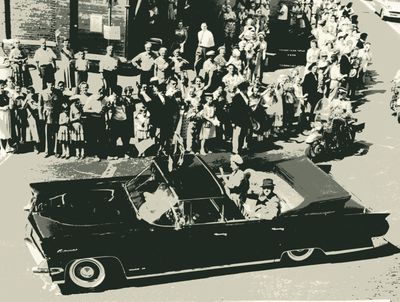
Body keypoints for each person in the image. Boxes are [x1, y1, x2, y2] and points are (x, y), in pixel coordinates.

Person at [83, 87, 107, 161]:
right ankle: (94, 154)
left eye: (103, 95)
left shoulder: (104, 99)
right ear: (98, 93)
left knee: (101, 137)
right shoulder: (91, 98)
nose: (101, 96)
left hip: (101, 120)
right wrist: (94, 111)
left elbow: (104, 110)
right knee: (93, 138)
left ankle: (101, 154)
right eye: (100, 94)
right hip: (93, 120)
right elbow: (84, 109)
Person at [230, 81, 252, 154]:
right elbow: (233, 110)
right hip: (238, 120)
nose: (247, 90)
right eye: (246, 89)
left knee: (242, 136)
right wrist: (233, 121)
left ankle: (239, 150)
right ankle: (235, 151)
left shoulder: (246, 97)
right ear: (243, 89)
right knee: (236, 136)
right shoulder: (237, 97)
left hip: (245, 120)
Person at [39, 81, 59, 157]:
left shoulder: (57, 93)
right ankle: (47, 151)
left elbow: (58, 104)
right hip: (47, 114)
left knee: (55, 132)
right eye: (49, 84)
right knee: (47, 132)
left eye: (52, 84)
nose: (51, 85)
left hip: (55, 114)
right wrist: (41, 115)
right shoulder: (43, 93)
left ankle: (55, 150)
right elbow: (40, 105)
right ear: (47, 84)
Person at [0, 80, 14, 156]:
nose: (2, 87)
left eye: (3, 85)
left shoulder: (6, 94)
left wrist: (11, 99)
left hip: (7, 113)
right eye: (1, 85)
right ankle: (2, 148)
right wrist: (2, 108)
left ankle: (8, 146)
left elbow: (10, 106)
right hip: (1, 114)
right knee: (1, 132)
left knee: (8, 130)